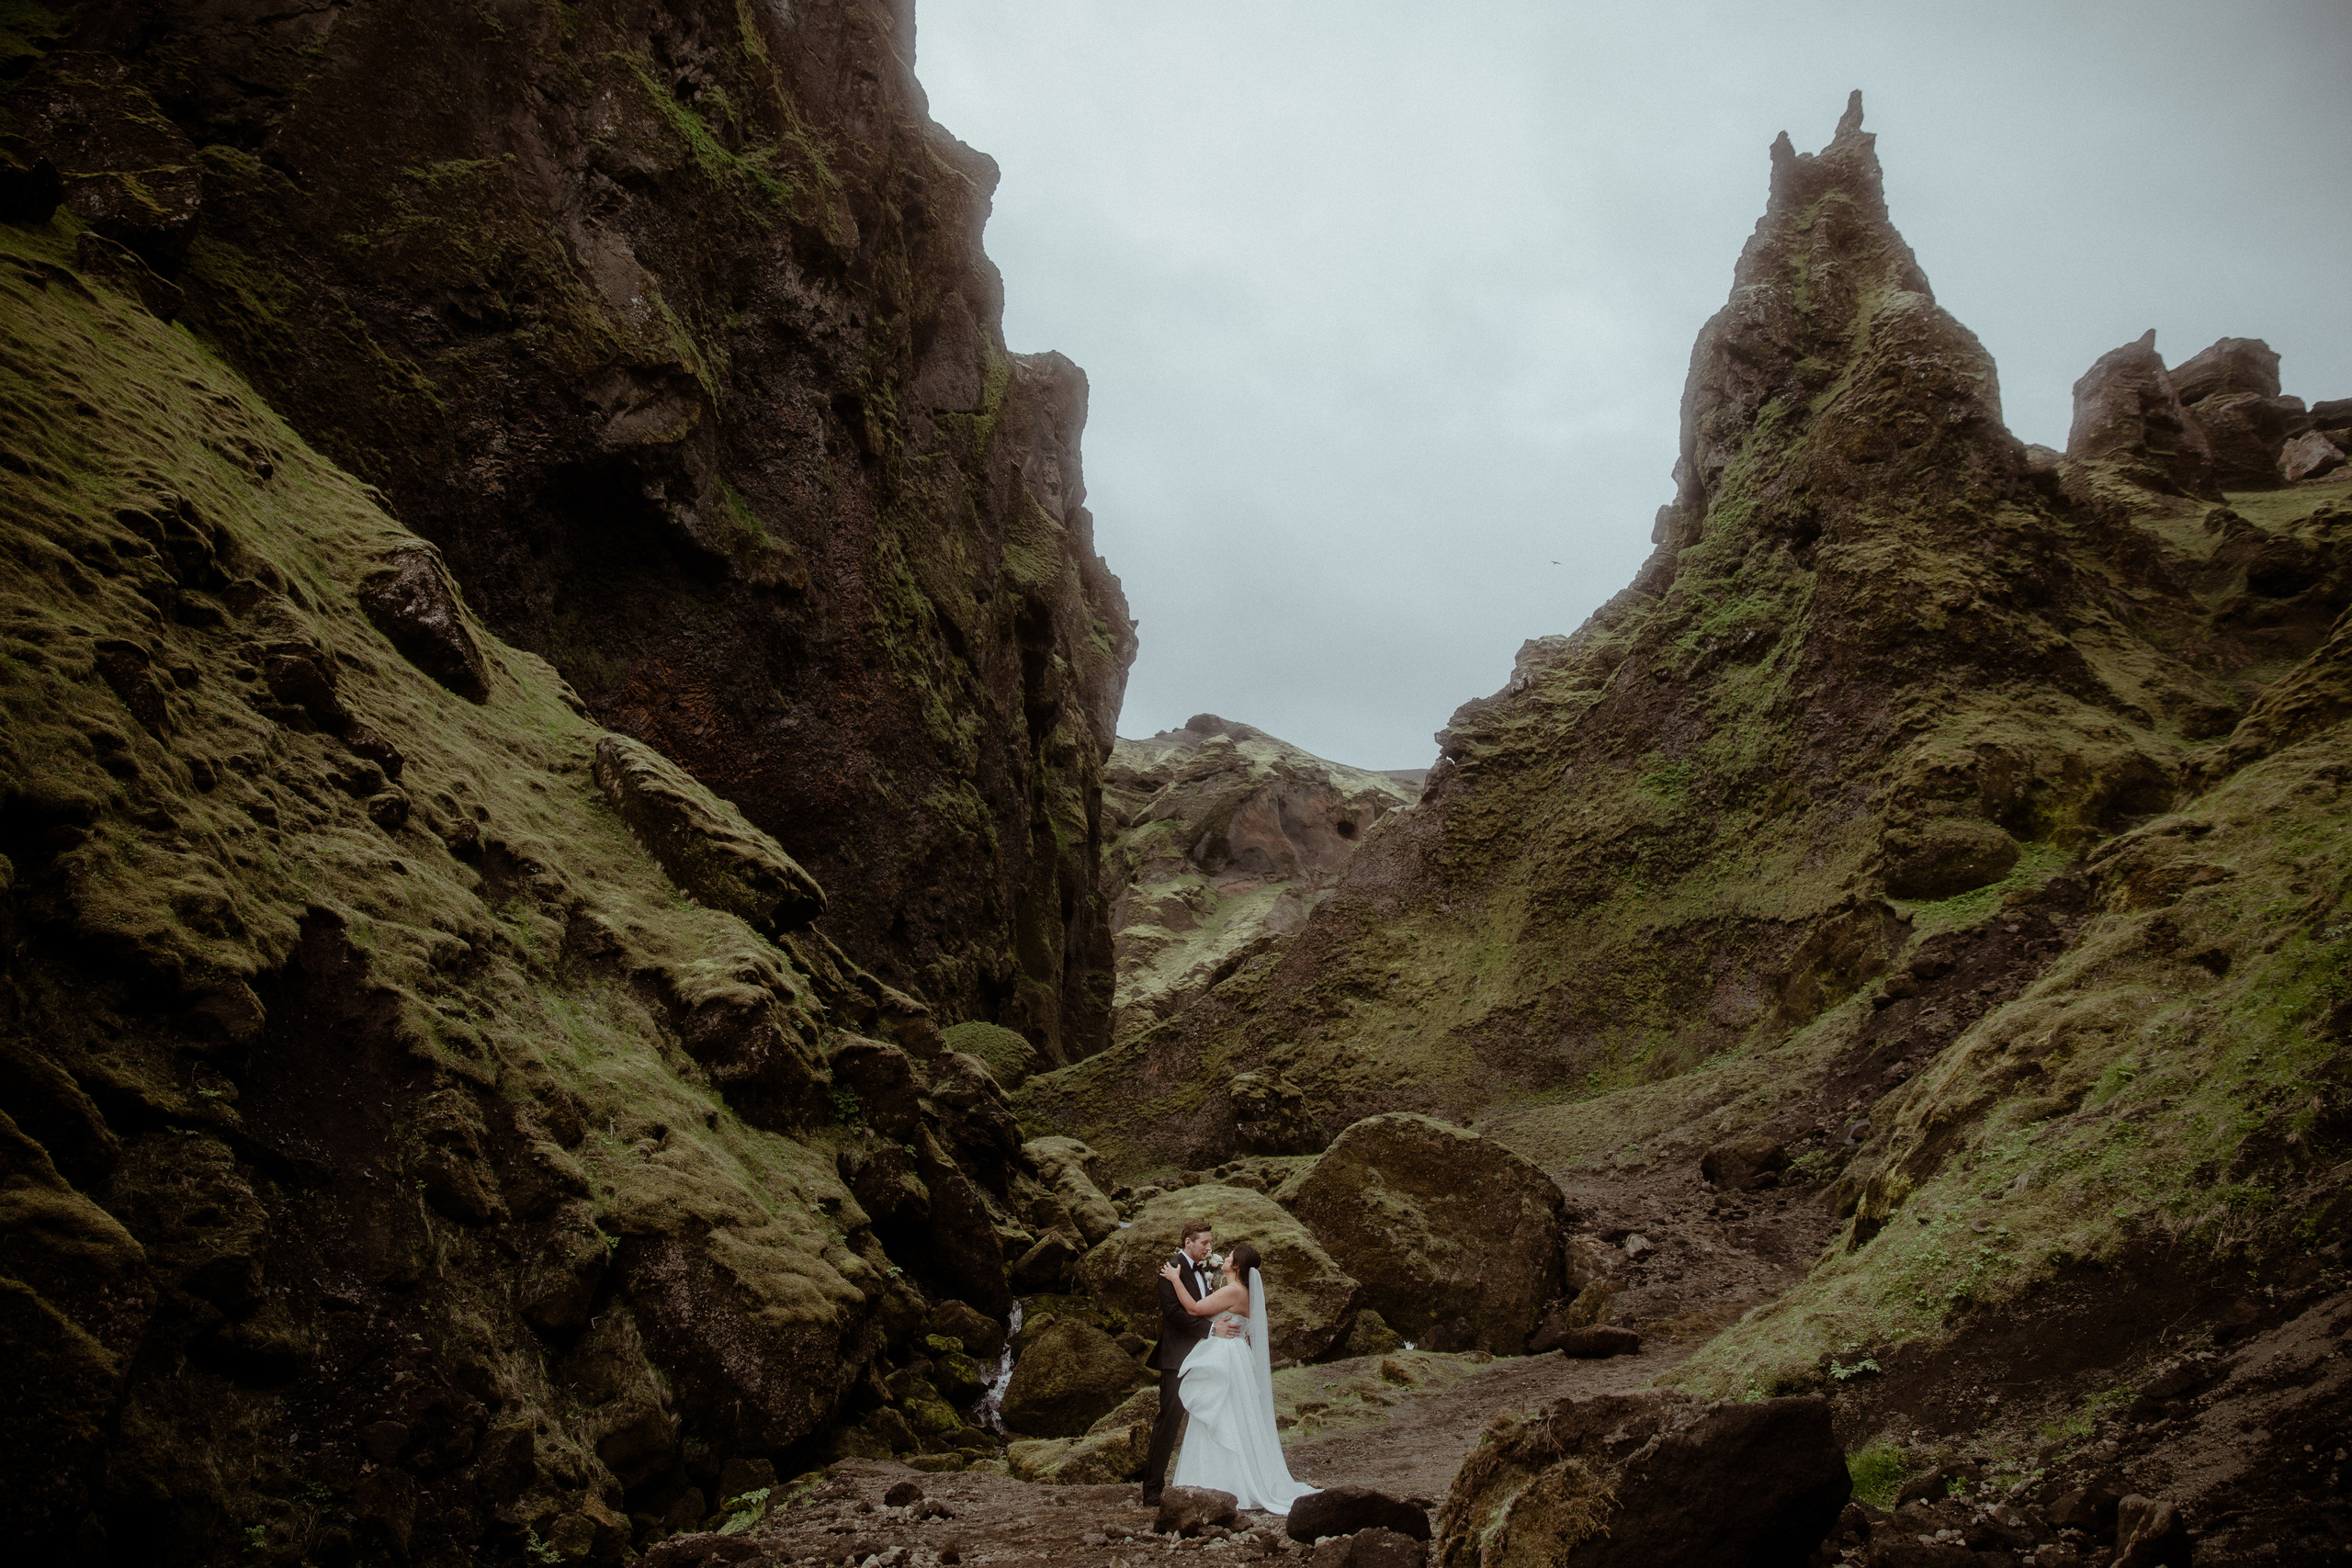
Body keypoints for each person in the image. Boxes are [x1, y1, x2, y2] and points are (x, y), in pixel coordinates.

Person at [1157, 1240, 1319, 1513]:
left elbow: (1195, 1310)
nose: (1225, 1258)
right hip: (1236, 1355)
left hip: (1225, 1355)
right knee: (1233, 1414)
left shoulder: (1234, 1291)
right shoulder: (1243, 1292)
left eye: (1230, 1256)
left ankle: (1225, 1483)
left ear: (1238, 1265)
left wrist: (1175, 1279)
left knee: (1221, 1414)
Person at [1141, 1218, 1238, 1506]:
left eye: (1210, 1242)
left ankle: (1210, 1481)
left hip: (1206, 1356)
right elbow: (1174, 1313)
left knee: (1208, 1417)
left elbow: (1206, 1306)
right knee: (1169, 1420)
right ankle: (1152, 1491)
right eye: (1204, 1243)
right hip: (1178, 1358)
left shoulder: (1207, 1269)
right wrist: (1211, 1329)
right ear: (1188, 1243)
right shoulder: (1169, 1269)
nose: (1209, 1247)